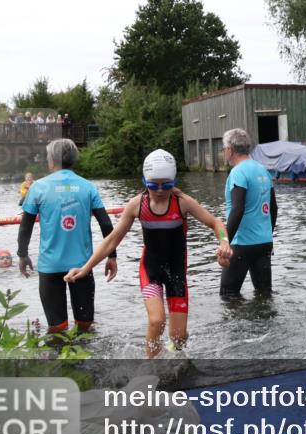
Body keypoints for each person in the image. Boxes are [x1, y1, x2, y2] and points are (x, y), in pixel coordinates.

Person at [65, 150, 232, 357]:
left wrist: (224, 242)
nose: (160, 190)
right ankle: (152, 369)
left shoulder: (182, 202)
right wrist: (85, 267)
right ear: (145, 181)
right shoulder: (137, 205)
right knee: (156, 320)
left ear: (174, 181)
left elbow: (215, 223)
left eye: (167, 185)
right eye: (153, 185)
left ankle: (174, 354)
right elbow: (112, 240)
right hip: (150, 270)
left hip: (176, 272)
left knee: (178, 337)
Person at [17, 139, 117, 334]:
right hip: (82, 266)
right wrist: (112, 256)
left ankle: (60, 363)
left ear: (52, 160)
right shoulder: (88, 187)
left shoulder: (38, 187)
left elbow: (25, 226)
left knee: (57, 328)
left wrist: (22, 254)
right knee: (86, 326)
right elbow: (106, 224)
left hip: (50, 267)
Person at [219, 128, 277, 298]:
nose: (224, 153)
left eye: (224, 149)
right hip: (264, 243)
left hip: (242, 244)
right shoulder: (263, 170)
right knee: (264, 295)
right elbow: (274, 208)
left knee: (228, 294)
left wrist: (225, 241)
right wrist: (269, 236)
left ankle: (239, 325)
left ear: (230, 150)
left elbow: (238, 208)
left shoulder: (238, 172)